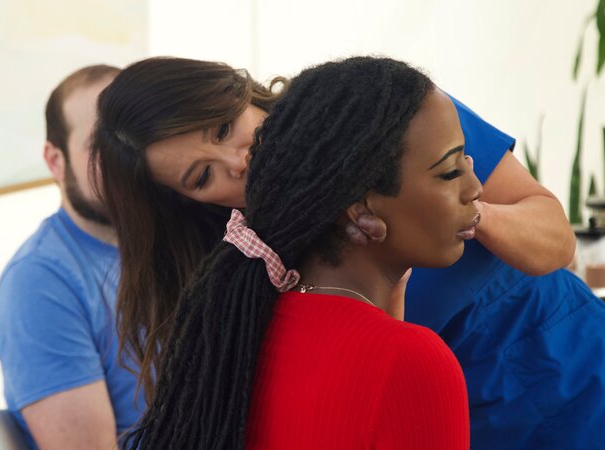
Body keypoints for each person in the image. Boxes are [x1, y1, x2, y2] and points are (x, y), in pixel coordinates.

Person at [94, 56, 605, 449]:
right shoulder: (251, 271)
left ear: (239, 94)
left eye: (224, 128)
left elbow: (555, 242)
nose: (238, 161)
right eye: (203, 176)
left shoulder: (390, 114)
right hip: (444, 420)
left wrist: (455, 205)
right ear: (189, 203)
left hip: (576, 370)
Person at [124, 56, 473, 449]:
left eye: (223, 128)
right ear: (361, 208)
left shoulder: (247, 329)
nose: (238, 162)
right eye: (449, 172)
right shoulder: (411, 360)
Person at [0, 64, 143, 450]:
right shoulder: (39, 284)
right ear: (55, 161)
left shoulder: (170, 239)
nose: (121, 159)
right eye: (99, 145)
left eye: (131, 138)